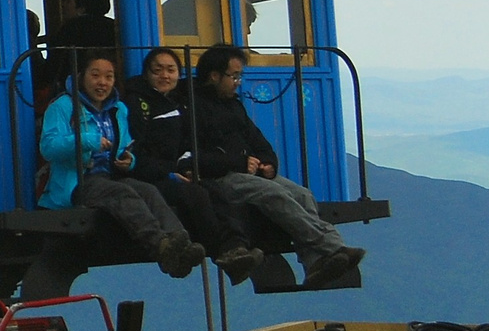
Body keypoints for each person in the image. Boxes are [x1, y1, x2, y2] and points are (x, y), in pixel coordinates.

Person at [190, 44, 366, 288]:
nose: (238, 82)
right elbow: (193, 156)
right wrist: (238, 162)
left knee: (302, 195)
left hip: (248, 173)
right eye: (234, 76)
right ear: (214, 76)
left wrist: (269, 164)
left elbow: (258, 142)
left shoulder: (233, 106)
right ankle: (332, 247)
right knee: (272, 193)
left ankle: (314, 263)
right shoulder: (193, 108)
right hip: (219, 178)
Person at [40, 52, 206, 275]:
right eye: (95, 75)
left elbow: (126, 144)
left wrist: (130, 160)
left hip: (110, 175)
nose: (102, 82)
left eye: (109, 77)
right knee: (121, 193)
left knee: (148, 191)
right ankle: (160, 245)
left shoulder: (118, 109)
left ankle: (180, 242)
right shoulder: (62, 106)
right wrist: (89, 141)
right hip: (78, 180)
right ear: (81, 77)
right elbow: (49, 147)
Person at [124, 48, 267, 282]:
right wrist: (169, 173)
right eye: (157, 70)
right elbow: (138, 153)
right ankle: (221, 251)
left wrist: (186, 165)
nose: (164, 76)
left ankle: (237, 247)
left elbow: (187, 143)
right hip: (152, 175)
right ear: (146, 74)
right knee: (196, 195)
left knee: (217, 191)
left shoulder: (181, 101)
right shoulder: (137, 104)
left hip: (178, 169)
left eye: (171, 70)